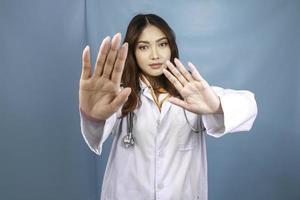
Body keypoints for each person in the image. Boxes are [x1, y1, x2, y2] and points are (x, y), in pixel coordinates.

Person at [79, 14, 257, 200]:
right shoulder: (120, 95)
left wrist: (217, 106)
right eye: (143, 47)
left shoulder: (194, 94)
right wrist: (92, 117)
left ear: (171, 47)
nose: (155, 54)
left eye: (162, 44)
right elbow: (94, 137)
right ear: (133, 52)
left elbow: (249, 105)